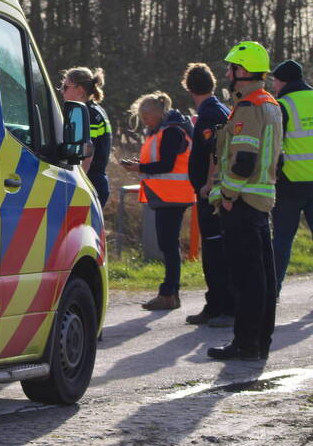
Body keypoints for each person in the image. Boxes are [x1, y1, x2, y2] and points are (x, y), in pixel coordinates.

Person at [206, 41, 282, 361]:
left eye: (231, 68)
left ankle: (246, 343)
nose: (227, 73)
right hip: (260, 202)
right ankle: (258, 341)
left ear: (244, 71)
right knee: (261, 276)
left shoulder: (250, 107)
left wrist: (226, 196)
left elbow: (244, 160)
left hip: (243, 202)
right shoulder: (271, 104)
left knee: (246, 278)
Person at [121, 91, 195, 310]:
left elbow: (166, 165)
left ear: (158, 113)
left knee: (169, 245)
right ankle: (172, 292)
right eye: (142, 115)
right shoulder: (163, 130)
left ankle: (168, 293)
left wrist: (139, 168)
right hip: (168, 195)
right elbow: (162, 161)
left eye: (146, 115)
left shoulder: (171, 132)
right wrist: (140, 164)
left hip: (172, 195)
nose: (144, 119)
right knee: (168, 244)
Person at [180, 63, 234, 327]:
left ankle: (219, 307)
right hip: (216, 191)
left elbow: (216, 149)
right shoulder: (220, 109)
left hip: (210, 193)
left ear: (188, 87)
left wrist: (208, 183)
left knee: (214, 251)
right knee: (219, 249)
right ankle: (219, 304)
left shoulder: (210, 113)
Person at [269, 59, 313, 295]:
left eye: (275, 81)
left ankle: (273, 290)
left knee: (283, 239)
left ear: (283, 81)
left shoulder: (282, 105)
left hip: (291, 184)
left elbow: (274, 146)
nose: (273, 86)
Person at [59, 67, 112, 206]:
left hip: (89, 180)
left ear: (80, 90)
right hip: (95, 181)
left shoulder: (86, 113)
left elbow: (87, 153)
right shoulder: (95, 110)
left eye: (65, 86)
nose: (61, 90)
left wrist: (76, 185)